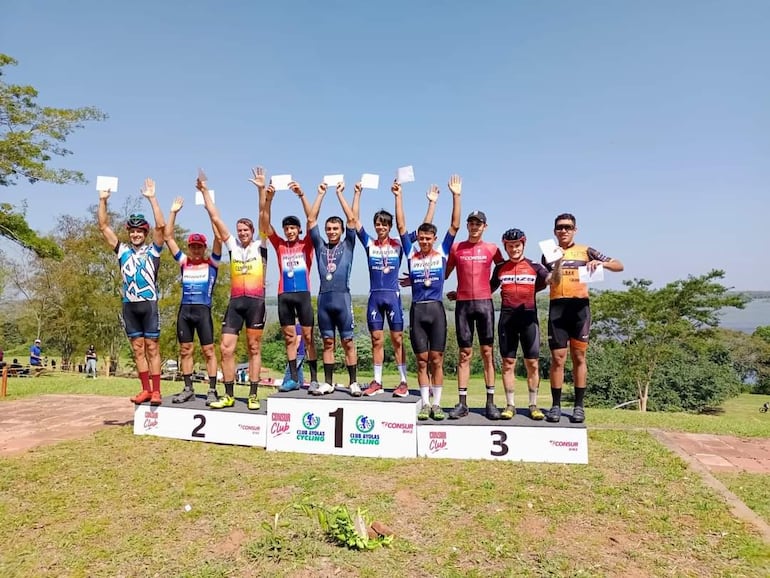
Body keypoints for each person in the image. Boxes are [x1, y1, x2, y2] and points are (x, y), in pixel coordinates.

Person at [350, 181, 439, 397]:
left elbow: (424, 230)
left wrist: (431, 204)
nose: (380, 227)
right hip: (374, 297)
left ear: (389, 227)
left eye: (384, 225)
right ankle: (377, 381)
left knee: (397, 340)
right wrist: (357, 194)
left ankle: (403, 382)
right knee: (376, 340)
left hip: (393, 297)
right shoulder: (369, 243)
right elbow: (353, 220)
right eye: (378, 224)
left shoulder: (400, 244)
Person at [542, 213, 624, 423]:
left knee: (579, 357)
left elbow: (619, 265)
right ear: (554, 231)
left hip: (580, 309)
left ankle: (579, 406)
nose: (564, 231)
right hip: (558, 308)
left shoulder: (587, 250)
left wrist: (600, 264)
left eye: (568, 227)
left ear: (575, 230)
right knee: (558, 359)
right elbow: (551, 280)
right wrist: (559, 261)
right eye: (560, 227)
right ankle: (556, 406)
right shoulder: (549, 253)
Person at [199, 168, 268, 411]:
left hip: (256, 303)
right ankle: (228, 395)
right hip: (236, 303)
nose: (241, 233)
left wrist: (261, 189)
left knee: (253, 348)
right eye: (239, 230)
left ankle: (253, 394)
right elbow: (216, 217)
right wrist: (205, 192)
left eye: (245, 230)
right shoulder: (233, 246)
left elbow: (262, 214)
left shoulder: (261, 243)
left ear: (252, 232)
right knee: (226, 348)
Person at [396, 176, 462, 420]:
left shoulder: (443, 251)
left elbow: (454, 226)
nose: (424, 241)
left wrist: (456, 195)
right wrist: (398, 195)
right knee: (421, 360)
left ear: (434, 239)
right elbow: (401, 226)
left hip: (436, 310)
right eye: (421, 238)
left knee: (437, 359)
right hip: (417, 309)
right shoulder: (411, 253)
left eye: (428, 238)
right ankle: (424, 404)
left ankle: (437, 404)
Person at [98, 178, 165, 404]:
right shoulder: (122, 250)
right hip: (129, 306)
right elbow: (103, 227)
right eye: (133, 231)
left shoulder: (153, 250)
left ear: (144, 233)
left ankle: (156, 390)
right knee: (138, 349)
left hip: (149, 305)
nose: (136, 234)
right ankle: (145, 389)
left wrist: (152, 198)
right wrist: (103, 200)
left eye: (139, 231)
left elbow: (161, 228)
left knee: (152, 348)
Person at [290, 179, 359, 396]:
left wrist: (339, 194)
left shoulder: (348, 244)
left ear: (341, 230)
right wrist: (320, 193)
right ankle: (328, 382)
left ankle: (354, 382)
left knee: (348, 341)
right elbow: (311, 219)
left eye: (335, 228)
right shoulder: (320, 245)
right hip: (324, 300)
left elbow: (352, 219)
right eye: (328, 228)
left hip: (343, 299)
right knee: (327, 342)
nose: (331, 231)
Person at [445, 207, 505, 420]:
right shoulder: (456, 248)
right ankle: (462, 404)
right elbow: (442, 274)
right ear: (468, 225)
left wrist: (491, 288)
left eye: (478, 223)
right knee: (464, 354)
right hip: (463, 305)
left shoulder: (492, 248)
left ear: (484, 226)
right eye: (471, 223)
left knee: (487, 353)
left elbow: (503, 269)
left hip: (485, 304)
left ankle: (490, 402)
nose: (474, 226)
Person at [490, 228, 555, 420]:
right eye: (510, 246)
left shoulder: (534, 266)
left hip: (528, 319)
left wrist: (556, 267)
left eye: (517, 245)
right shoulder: (500, 267)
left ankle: (533, 404)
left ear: (523, 245)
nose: (514, 249)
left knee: (532, 363)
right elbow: (487, 288)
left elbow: (550, 279)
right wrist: (460, 294)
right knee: (508, 363)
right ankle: (510, 405)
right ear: (506, 247)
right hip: (507, 319)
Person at [164, 195, 222, 405]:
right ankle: (188, 388)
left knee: (208, 350)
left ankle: (213, 390)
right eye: (193, 246)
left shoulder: (212, 263)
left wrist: (209, 209)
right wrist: (173, 212)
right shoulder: (184, 262)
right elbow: (169, 237)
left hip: (203, 311)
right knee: (185, 350)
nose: (196, 249)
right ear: (189, 248)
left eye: (199, 246)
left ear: (204, 248)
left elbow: (218, 237)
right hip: (185, 312)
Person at [263, 181, 320, 392]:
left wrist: (302, 194)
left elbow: (311, 218)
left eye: (292, 228)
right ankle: (293, 379)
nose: (289, 231)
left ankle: (313, 379)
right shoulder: (279, 244)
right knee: (289, 338)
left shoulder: (306, 244)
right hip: (284, 295)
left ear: (298, 230)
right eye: (286, 228)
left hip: (303, 294)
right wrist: (269, 199)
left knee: (308, 337)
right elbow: (265, 225)